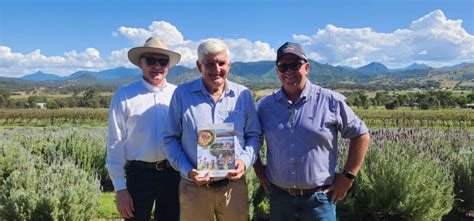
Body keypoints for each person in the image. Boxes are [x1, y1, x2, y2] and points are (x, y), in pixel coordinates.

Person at [253, 42, 370, 221]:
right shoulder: (265, 106)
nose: (289, 71)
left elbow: (361, 134)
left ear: (306, 67)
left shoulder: (330, 101)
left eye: (295, 65)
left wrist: (348, 176)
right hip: (279, 199)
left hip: (319, 200)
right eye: (283, 66)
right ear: (277, 71)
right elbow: (251, 137)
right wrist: (259, 170)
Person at [163, 39, 263, 221]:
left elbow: (254, 135)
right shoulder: (182, 95)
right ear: (199, 65)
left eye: (221, 63)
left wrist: (244, 161)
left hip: (233, 188)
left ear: (229, 65)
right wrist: (188, 171)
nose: (216, 69)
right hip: (194, 188)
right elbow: (170, 138)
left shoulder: (243, 95)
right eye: (209, 63)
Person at [106, 37, 181, 221]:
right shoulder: (124, 95)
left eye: (163, 61)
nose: (157, 66)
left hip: (173, 175)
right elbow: (115, 142)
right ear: (141, 63)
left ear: (168, 65)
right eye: (151, 60)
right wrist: (120, 189)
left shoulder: (178, 94)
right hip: (138, 176)